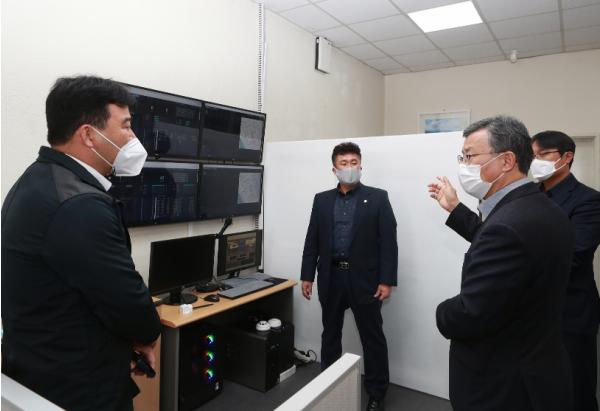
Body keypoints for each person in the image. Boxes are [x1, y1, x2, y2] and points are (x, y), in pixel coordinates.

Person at [1, 75, 162, 410]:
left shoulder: (36, 180)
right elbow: (126, 301)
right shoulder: (79, 205)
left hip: (40, 374)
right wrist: (146, 334)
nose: (133, 137)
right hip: (80, 389)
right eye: (126, 126)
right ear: (89, 135)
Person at [427, 116, 574, 410]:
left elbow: (472, 313)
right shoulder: (540, 207)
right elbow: (505, 246)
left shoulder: (508, 224)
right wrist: (455, 208)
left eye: (470, 156)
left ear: (506, 160)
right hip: (538, 364)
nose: (464, 165)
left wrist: (441, 312)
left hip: (502, 383)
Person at [300, 142, 398, 411]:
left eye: (354, 162)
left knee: (372, 338)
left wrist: (386, 280)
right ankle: (328, 388)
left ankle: (376, 394)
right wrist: (307, 275)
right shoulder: (321, 200)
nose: (350, 167)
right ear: (334, 169)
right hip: (331, 277)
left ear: (361, 165)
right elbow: (312, 240)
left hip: (366, 280)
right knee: (330, 335)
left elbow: (388, 243)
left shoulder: (378, 198)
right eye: (344, 163)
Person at [531, 130, 600, 411]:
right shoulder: (527, 197)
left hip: (570, 312)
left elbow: (574, 255)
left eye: (543, 154)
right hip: (531, 312)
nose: (536, 161)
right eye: (532, 156)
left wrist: (514, 266)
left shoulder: (589, 200)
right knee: (539, 389)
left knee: (576, 389)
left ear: (567, 157)